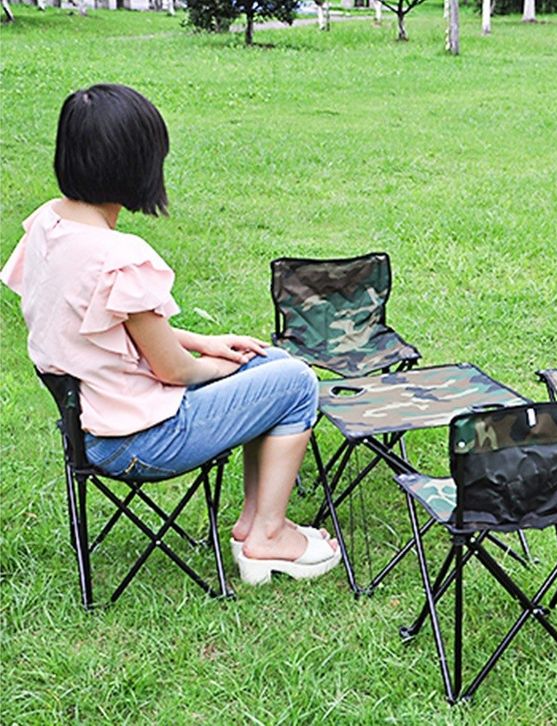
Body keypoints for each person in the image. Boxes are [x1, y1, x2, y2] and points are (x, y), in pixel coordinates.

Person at [0, 83, 340, 586]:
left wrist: (205, 342)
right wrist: (221, 367)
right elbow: (173, 371)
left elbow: (104, 327)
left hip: (90, 426)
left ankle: (253, 526)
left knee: (269, 364)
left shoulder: (47, 226)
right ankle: (268, 536)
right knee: (295, 382)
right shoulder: (119, 257)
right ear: (134, 164)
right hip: (143, 439)